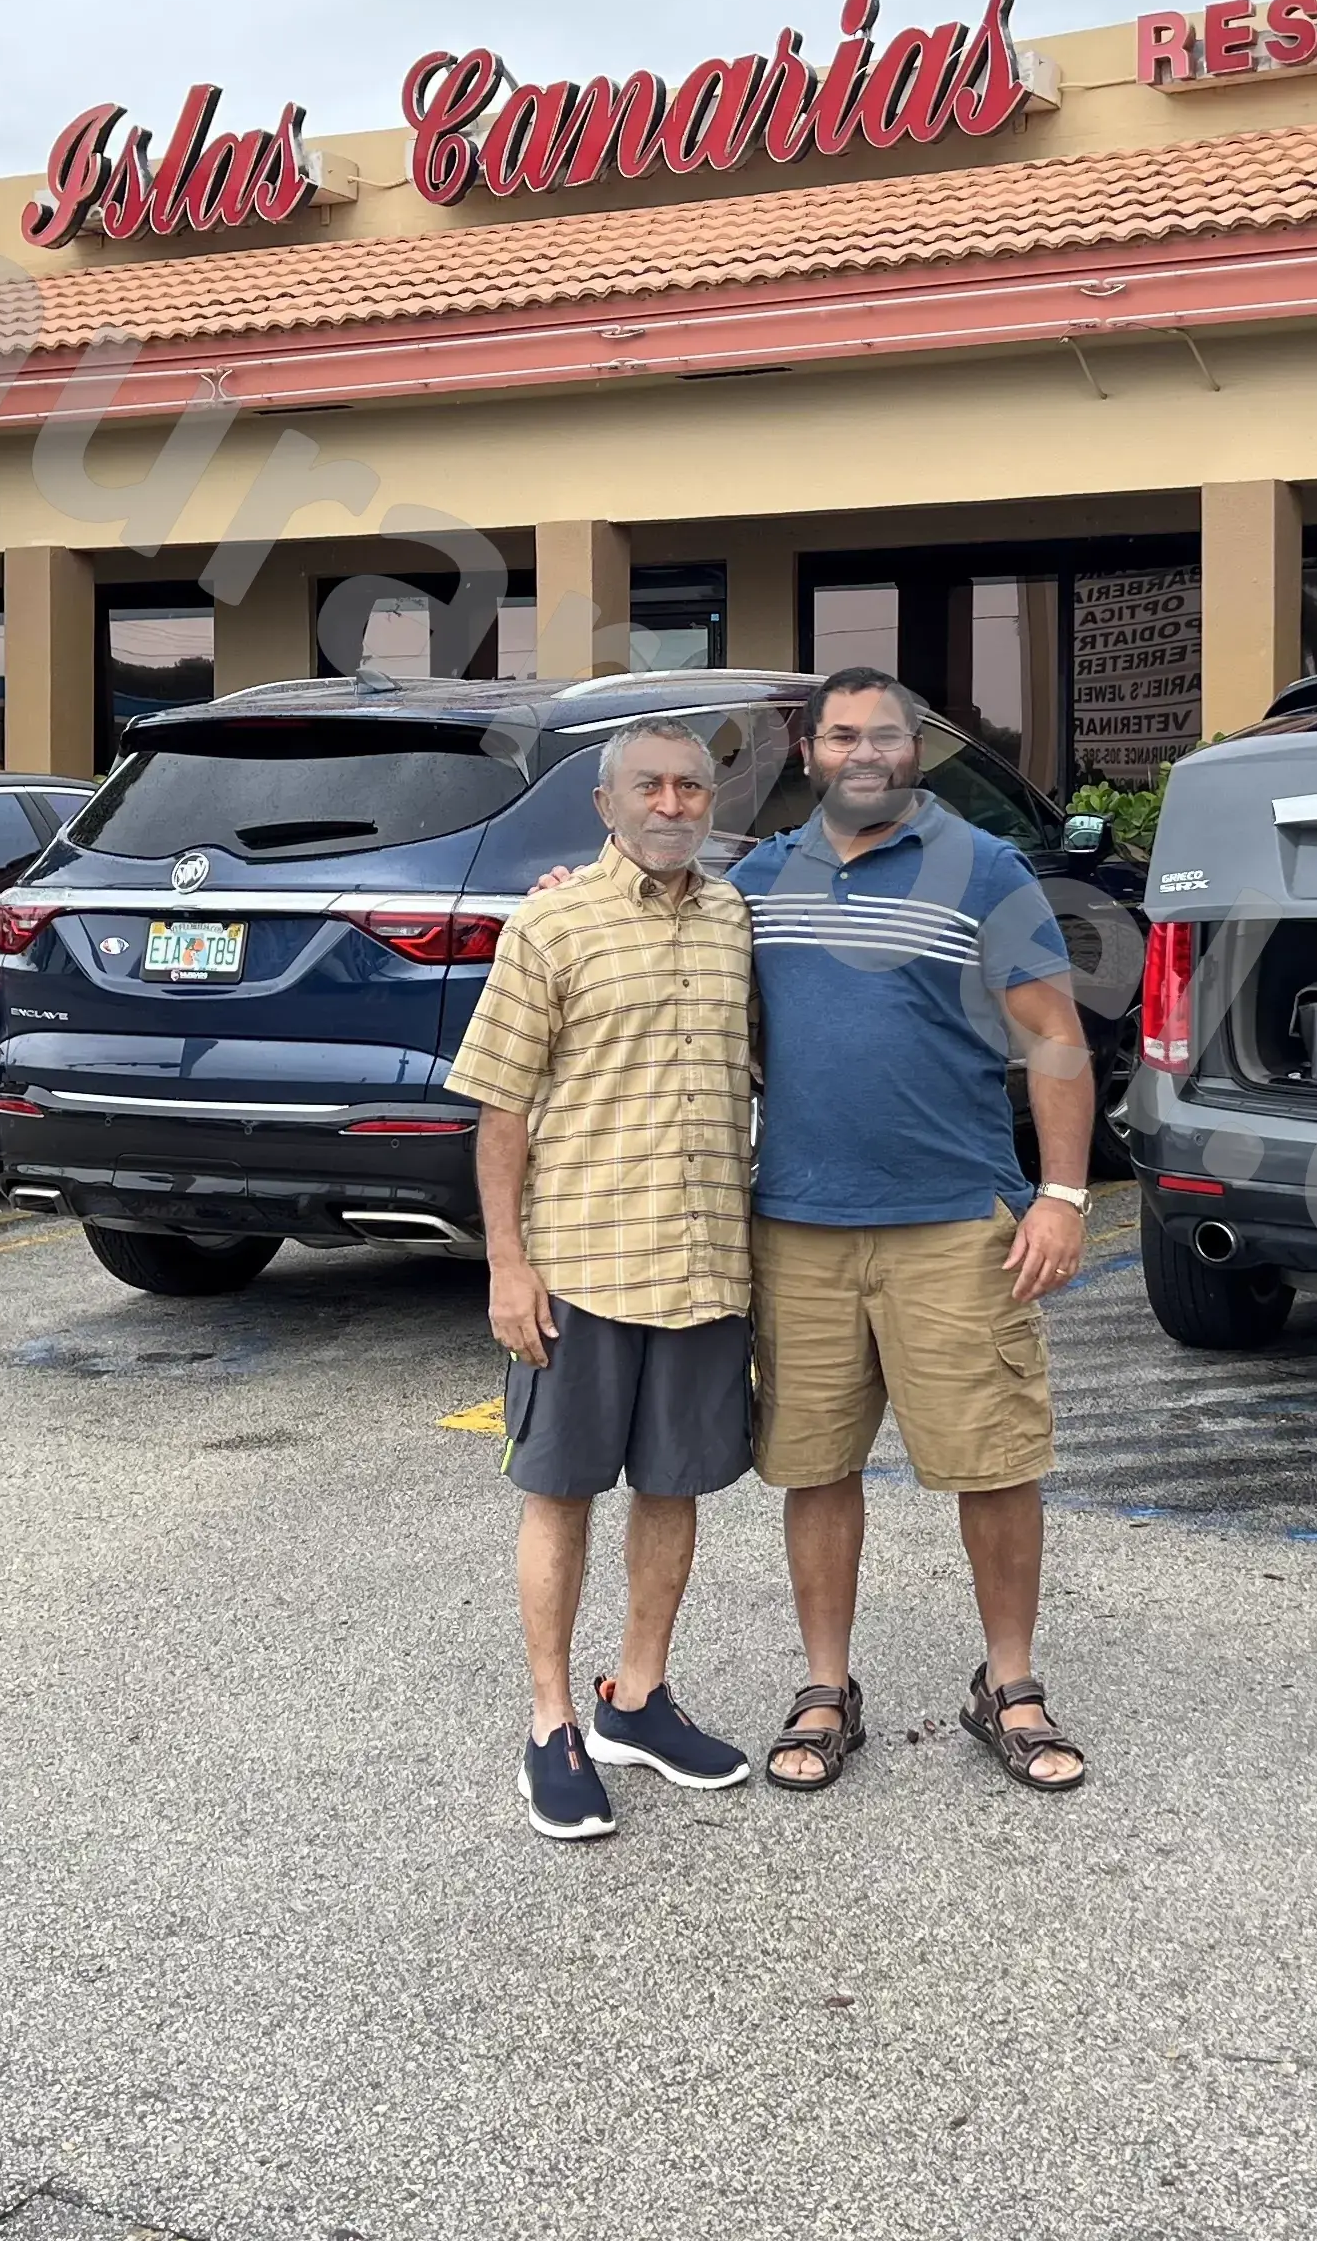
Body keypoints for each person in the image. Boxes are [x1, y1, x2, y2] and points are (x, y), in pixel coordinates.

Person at [736, 668, 1100, 1799]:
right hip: (798, 1224)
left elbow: (1054, 1037)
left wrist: (1063, 1197)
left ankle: (1011, 1683)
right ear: (809, 752)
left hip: (957, 1223)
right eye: (841, 735)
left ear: (917, 751)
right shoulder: (755, 878)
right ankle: (825, 1687)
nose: (864, 754)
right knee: (815, 1464)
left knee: (994, 1466)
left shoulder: (983, 870)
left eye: (885, 736)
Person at [446, 716, 758, 1843]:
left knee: (675, 1487)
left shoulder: (737, 919)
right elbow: (501, 1107)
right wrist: (507, 1265)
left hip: (703, 1260)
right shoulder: (552, 921)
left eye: (691, 787)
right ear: (606, 805)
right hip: (579, 1263)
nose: (673, 805)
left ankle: (637, 1698)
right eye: (650, 788)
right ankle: (550, 1726)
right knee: (561, 1493)